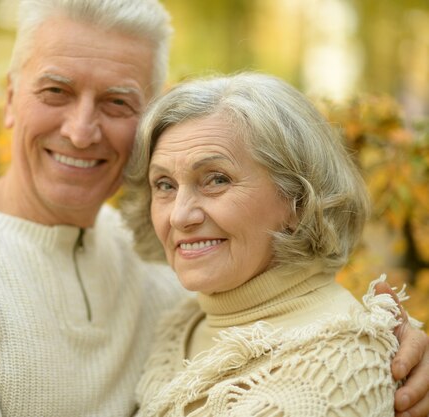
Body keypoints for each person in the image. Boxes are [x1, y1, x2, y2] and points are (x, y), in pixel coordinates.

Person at [0, 0, 429, 416]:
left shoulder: (168, 259)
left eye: (117, 102)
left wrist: (389, 348)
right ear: (9, 99)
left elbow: (289, 316)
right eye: (55, 92)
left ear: (150, 119)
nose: (80, 131)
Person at [122, 72, 427, 416]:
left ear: (298, 199)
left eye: (216, 179)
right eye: (164, 184)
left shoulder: (339, 366)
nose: (179, 216)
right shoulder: (181, 323)